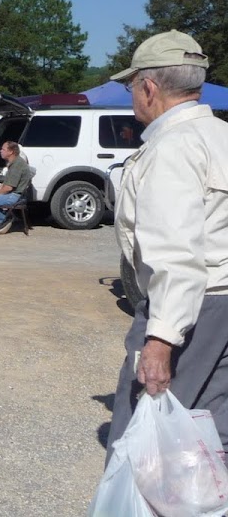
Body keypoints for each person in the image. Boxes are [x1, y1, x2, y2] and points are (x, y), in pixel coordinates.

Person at [104, 30, 228, 457]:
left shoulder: (171, 148)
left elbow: (176, 254)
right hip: (221, 302)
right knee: (209, 436)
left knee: (145, 445)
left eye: (132, 86)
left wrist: (160, 339)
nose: (132, 97)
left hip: (193, 309)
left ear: (149, 88)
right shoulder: (221, 136)